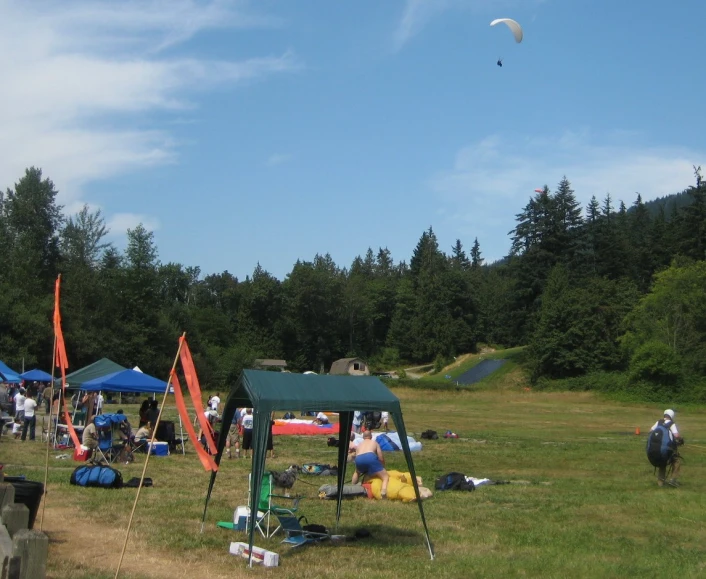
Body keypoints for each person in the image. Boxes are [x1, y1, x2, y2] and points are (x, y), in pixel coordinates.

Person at [650, 409, 683, 487]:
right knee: (676, 461)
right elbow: (676, 435)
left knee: (662, 463)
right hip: (668, 448)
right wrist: (681, 439)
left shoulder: (659, 422)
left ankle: (660, 483)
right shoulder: (671, 424)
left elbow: (651, 431)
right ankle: (673, 480)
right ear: (672, 416)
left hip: (658, 448)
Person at [351, 431, 389, 498]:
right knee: (385, 477)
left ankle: (352, 486)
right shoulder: (374, 442)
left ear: (363, 437)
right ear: (371, 436)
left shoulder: (360, 444)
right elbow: (380, 456)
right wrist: (382, 466)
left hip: (358, 459)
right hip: (370, 456)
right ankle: (383, 492)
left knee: (357, 472)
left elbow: (357, 455)